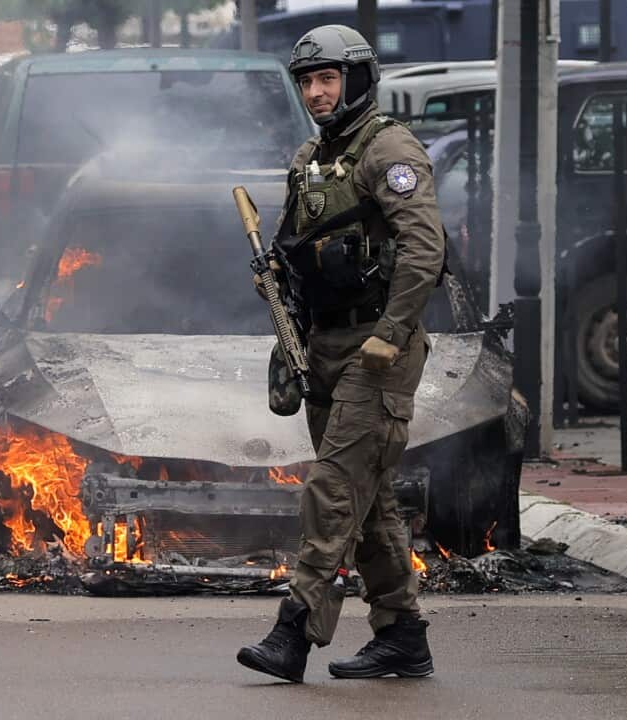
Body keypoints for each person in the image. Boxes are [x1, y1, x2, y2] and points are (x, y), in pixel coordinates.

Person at [237, 24, 447, 683]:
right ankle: (402, 636)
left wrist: (392, 333)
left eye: (327, 79)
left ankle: (293, 631)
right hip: (323, 344)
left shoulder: (389, 149)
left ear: (355, 79)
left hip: (378, 347)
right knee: (368, 500)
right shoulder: (309, 159)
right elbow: (294, 253)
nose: (315, 93)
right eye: (306, 82)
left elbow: (424, 250)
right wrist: (280, 295)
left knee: (331, 489)